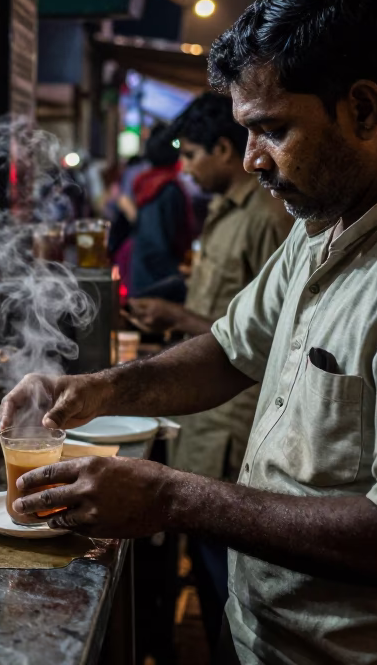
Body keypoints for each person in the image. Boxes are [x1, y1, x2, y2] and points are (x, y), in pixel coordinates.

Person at [0, 0, 377, 664]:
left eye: (272, 128)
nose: (253, 158)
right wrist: (94, 391)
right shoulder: (325, 225)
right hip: (273, 640)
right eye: (245, 132)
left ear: (362, 108)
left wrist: (174, 498)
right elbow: (232, 350)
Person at [127, 93, 292, 652]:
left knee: (229, 579)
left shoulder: (270, 219)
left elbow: (269, 344)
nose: (187, 167)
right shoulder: (223, 210)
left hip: (234, 423)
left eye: (193, 154)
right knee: (202, 565)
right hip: (202, 418)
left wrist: (176, 316)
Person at [127, 125, 191, 301]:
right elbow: (156, 243)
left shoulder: (147, 181)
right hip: (157, 284)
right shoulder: (166, 188)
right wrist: (176, 276)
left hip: (144, 275)